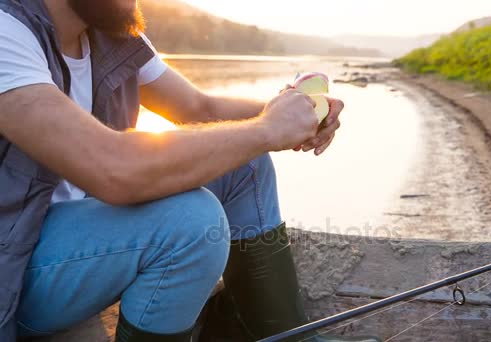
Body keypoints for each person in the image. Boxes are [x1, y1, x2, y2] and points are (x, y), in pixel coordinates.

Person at [0, 0, 381, 341]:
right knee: (189, 223)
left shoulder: (110, 31)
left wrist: (290, 113)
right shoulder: (7, 31)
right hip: (12, 274)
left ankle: (286, 338)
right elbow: (112, 169)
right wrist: (267, 129)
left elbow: (198, 107)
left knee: (244, 163)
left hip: (67, 246)